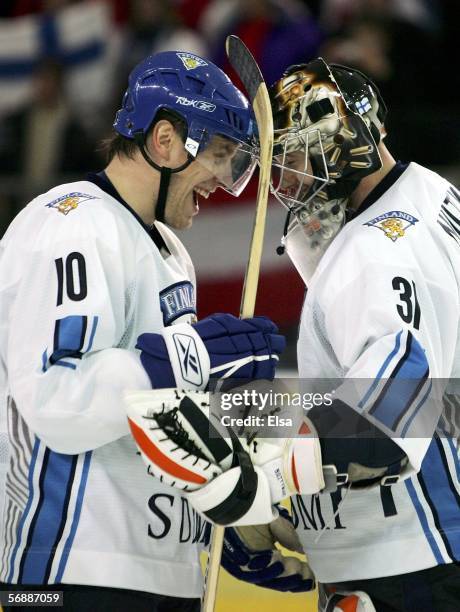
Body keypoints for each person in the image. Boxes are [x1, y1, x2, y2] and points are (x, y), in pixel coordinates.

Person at [127, 58, 460, 611]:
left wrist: (263, 485)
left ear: (343, 137)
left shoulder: (370, 248)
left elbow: (392, 406)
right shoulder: (433, 197)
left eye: (299, 155)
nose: (290, 182)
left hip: (412, 561)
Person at [0, 50, 286, 612]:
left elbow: (163, 415)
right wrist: (188, 356)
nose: (225, 186)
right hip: (72, 567)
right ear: (165, 141)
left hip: (163, 570)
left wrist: (219, 515)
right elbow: (58, 398)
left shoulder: (171, 251)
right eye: (221, 157)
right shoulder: (70, 223)